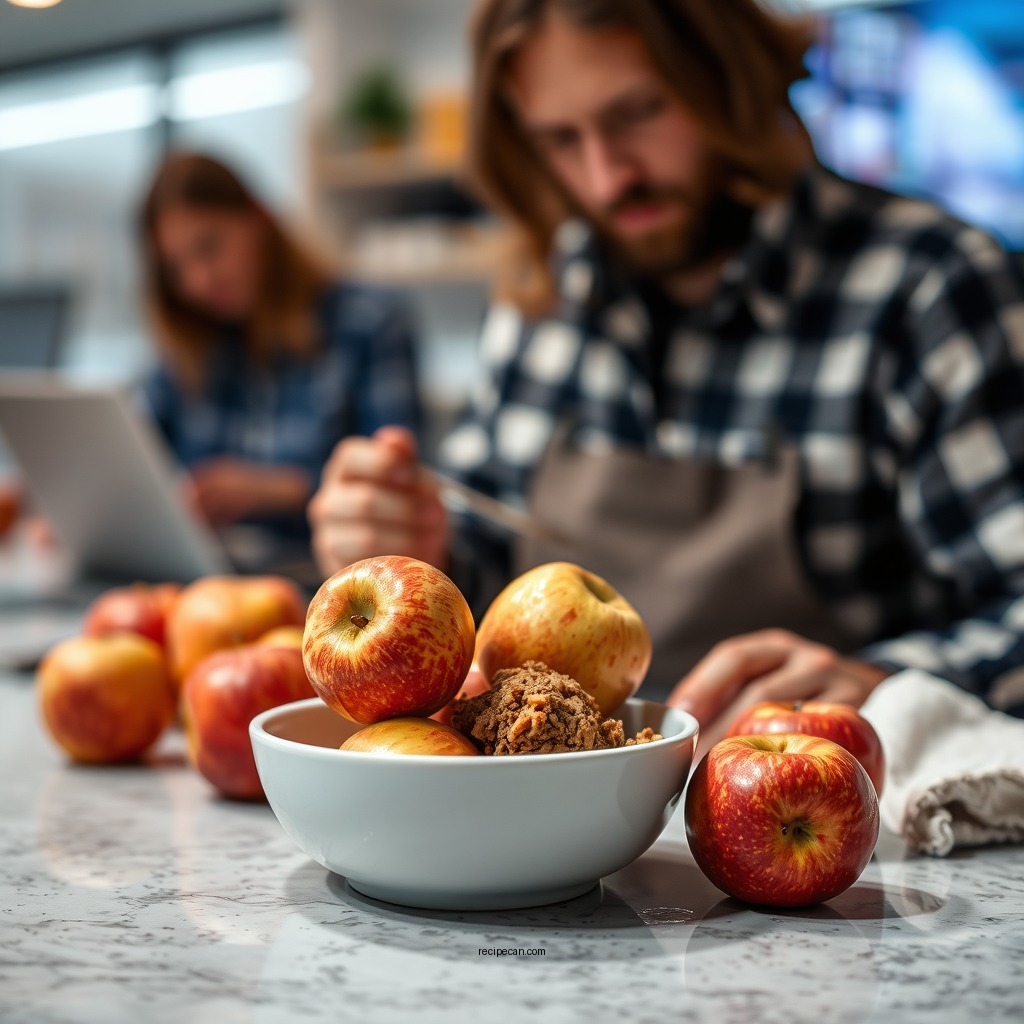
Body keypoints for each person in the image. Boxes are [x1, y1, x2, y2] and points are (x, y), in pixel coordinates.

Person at [307, 0, 1024, 751]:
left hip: (822, 821)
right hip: (560, 825)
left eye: (639, 111)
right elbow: (493, 563)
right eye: (559, 138)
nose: (607, 176)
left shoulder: (927, 289)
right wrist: (423, 546)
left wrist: (883, 683)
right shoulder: (542, 300)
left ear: (727, 76)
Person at [140, 152, 423, 541]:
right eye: (176, 268)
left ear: (258, 219)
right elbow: (133, 458)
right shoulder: (189, 347)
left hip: (330, 581)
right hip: (212, 580)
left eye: (209, 247)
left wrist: (276, 490)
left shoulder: (369, 321)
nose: (198, 281)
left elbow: (395, 487)